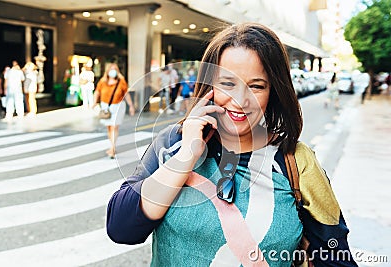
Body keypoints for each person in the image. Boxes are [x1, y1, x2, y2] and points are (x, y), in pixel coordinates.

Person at [106, 23, 357, 266]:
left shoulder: (295, 162)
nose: (240, 100)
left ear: (274, 92)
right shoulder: (174, 142)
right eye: (227, 83)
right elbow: (121, 229)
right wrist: (187, 155)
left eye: (256, 86)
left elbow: (335, 258)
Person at [92, 63, 135, 159]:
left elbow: (126, 94)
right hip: (105, 107)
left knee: (114, 127)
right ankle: (112, 145)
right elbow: (97, 91)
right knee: (109, 128)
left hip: (118, 106)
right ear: (107, 71)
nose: (113, 71)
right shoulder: (103, 82)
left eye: (115, 69)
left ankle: (112, 148)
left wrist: (131, 106)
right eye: (111, 69)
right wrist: (94, 102)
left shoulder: (121, 82)